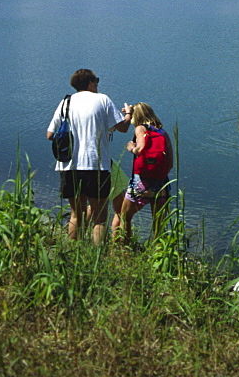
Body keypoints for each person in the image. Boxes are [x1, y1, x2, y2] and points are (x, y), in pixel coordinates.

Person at [46, 68, 131, 245]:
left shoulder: (65, 102)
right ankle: (97, 259)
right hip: (96, 165)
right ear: (91, 83)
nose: (97, 85)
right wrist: (128, 114)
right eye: (96, 81)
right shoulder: (102, 100)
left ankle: (73, 251)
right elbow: (123, 128)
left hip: (69, 166)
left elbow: (50, 134)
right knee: (99, 217)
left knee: (76, 214)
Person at [120, 102, 173, 240]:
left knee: (125, 216)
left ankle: (125, 249)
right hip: (161, 182)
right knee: (159, 223)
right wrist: (158, 174)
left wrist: (131, 147)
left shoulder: (140, 128)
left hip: (141, 182)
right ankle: (158, 251)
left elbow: (140, 149)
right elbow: (171, 163)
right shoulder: (163, 133)